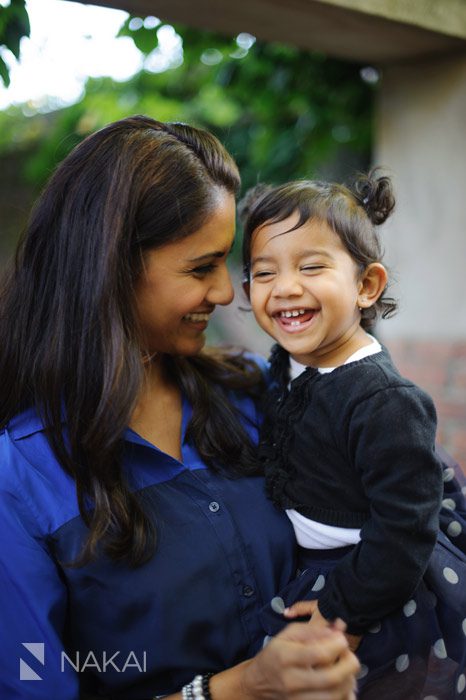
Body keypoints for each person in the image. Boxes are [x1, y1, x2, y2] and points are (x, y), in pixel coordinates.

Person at [0, 115, 360, 700]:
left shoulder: (250, 395)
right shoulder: (20, 481)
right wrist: (235, 690)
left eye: (226, 261)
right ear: (110, 269)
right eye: (200, 267)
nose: (224, 292)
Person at [240, 174, 466, 699]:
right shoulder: (293, 364)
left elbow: (406, 527)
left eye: (311, 267)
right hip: (317, 571)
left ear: (366, 285)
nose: (286, 287)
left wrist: (348, 613)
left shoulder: (383, 400)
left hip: (377, 585)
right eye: (263, 272)